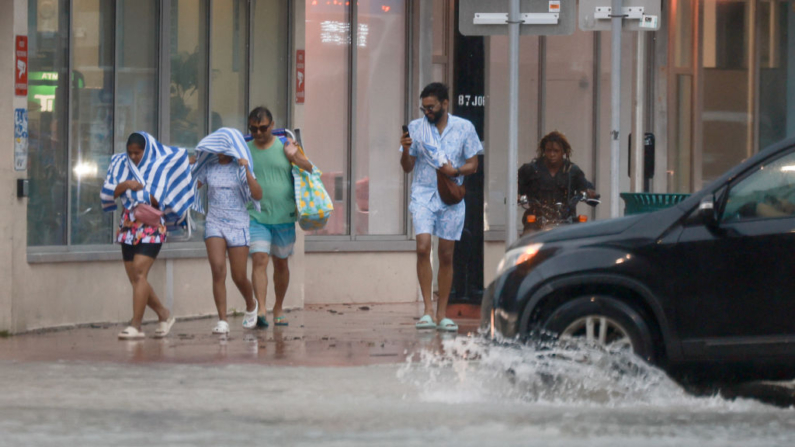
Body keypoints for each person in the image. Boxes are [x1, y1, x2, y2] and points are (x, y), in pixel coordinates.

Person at [399, 82, 483, 332]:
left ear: (445, 104)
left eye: (431, 107)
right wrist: (405, 149)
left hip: (451, 197)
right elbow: (407, 167)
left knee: (446, 254)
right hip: (423, 194)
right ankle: (426, 310)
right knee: (423, 247)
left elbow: (473, 164)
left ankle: (441, 313)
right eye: (424, 108)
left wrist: (454, 170)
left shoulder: (464, 127)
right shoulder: (417, 128)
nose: (427, 112)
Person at [100, 132, 193, 339]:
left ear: (146, 150)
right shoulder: (118, 163)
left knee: (140, 272)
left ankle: (136, 325)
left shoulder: (160, 166)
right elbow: (107, 192)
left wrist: (130, 191)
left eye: (138, 153)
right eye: (130, 152)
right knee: (135, 277)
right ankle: (163, 314)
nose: (133, 157)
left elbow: (157, 198)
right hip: (128, 225)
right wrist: (126, 186)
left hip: (152, 225)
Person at [192, 128, 263, 334]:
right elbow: (191, 186)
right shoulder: (209, 167)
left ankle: (251, 304)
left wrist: (247, 170)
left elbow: (257, 194)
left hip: (238, 223)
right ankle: (222, 319)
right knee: (217, 269)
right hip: (214, 221)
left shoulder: (240, 167)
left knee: (238, 275)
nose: (219, 150)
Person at [247, 107, 313, 328]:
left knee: (281, 264)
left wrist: (295, 155)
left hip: (284, 216)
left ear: (272, 125)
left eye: (263, 128)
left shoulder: (286, 147)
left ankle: (278, 307)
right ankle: (262, 310)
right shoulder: (245, 151)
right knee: (259, 259)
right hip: (255, 215)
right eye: (253, 129)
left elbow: (310, 169)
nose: (258, 133)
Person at [518, 131, 597, 235]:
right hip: (537, 219)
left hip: (567, 219)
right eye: (549, 150)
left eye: (556, 151)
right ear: (544, 151)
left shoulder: (572, 170)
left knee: (581, 236)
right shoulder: (531, 169)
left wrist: (589, 193)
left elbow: (586, 186)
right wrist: (517, 195)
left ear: (563, 152)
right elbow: (516, 186)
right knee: (529, 236)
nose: (552, 154)